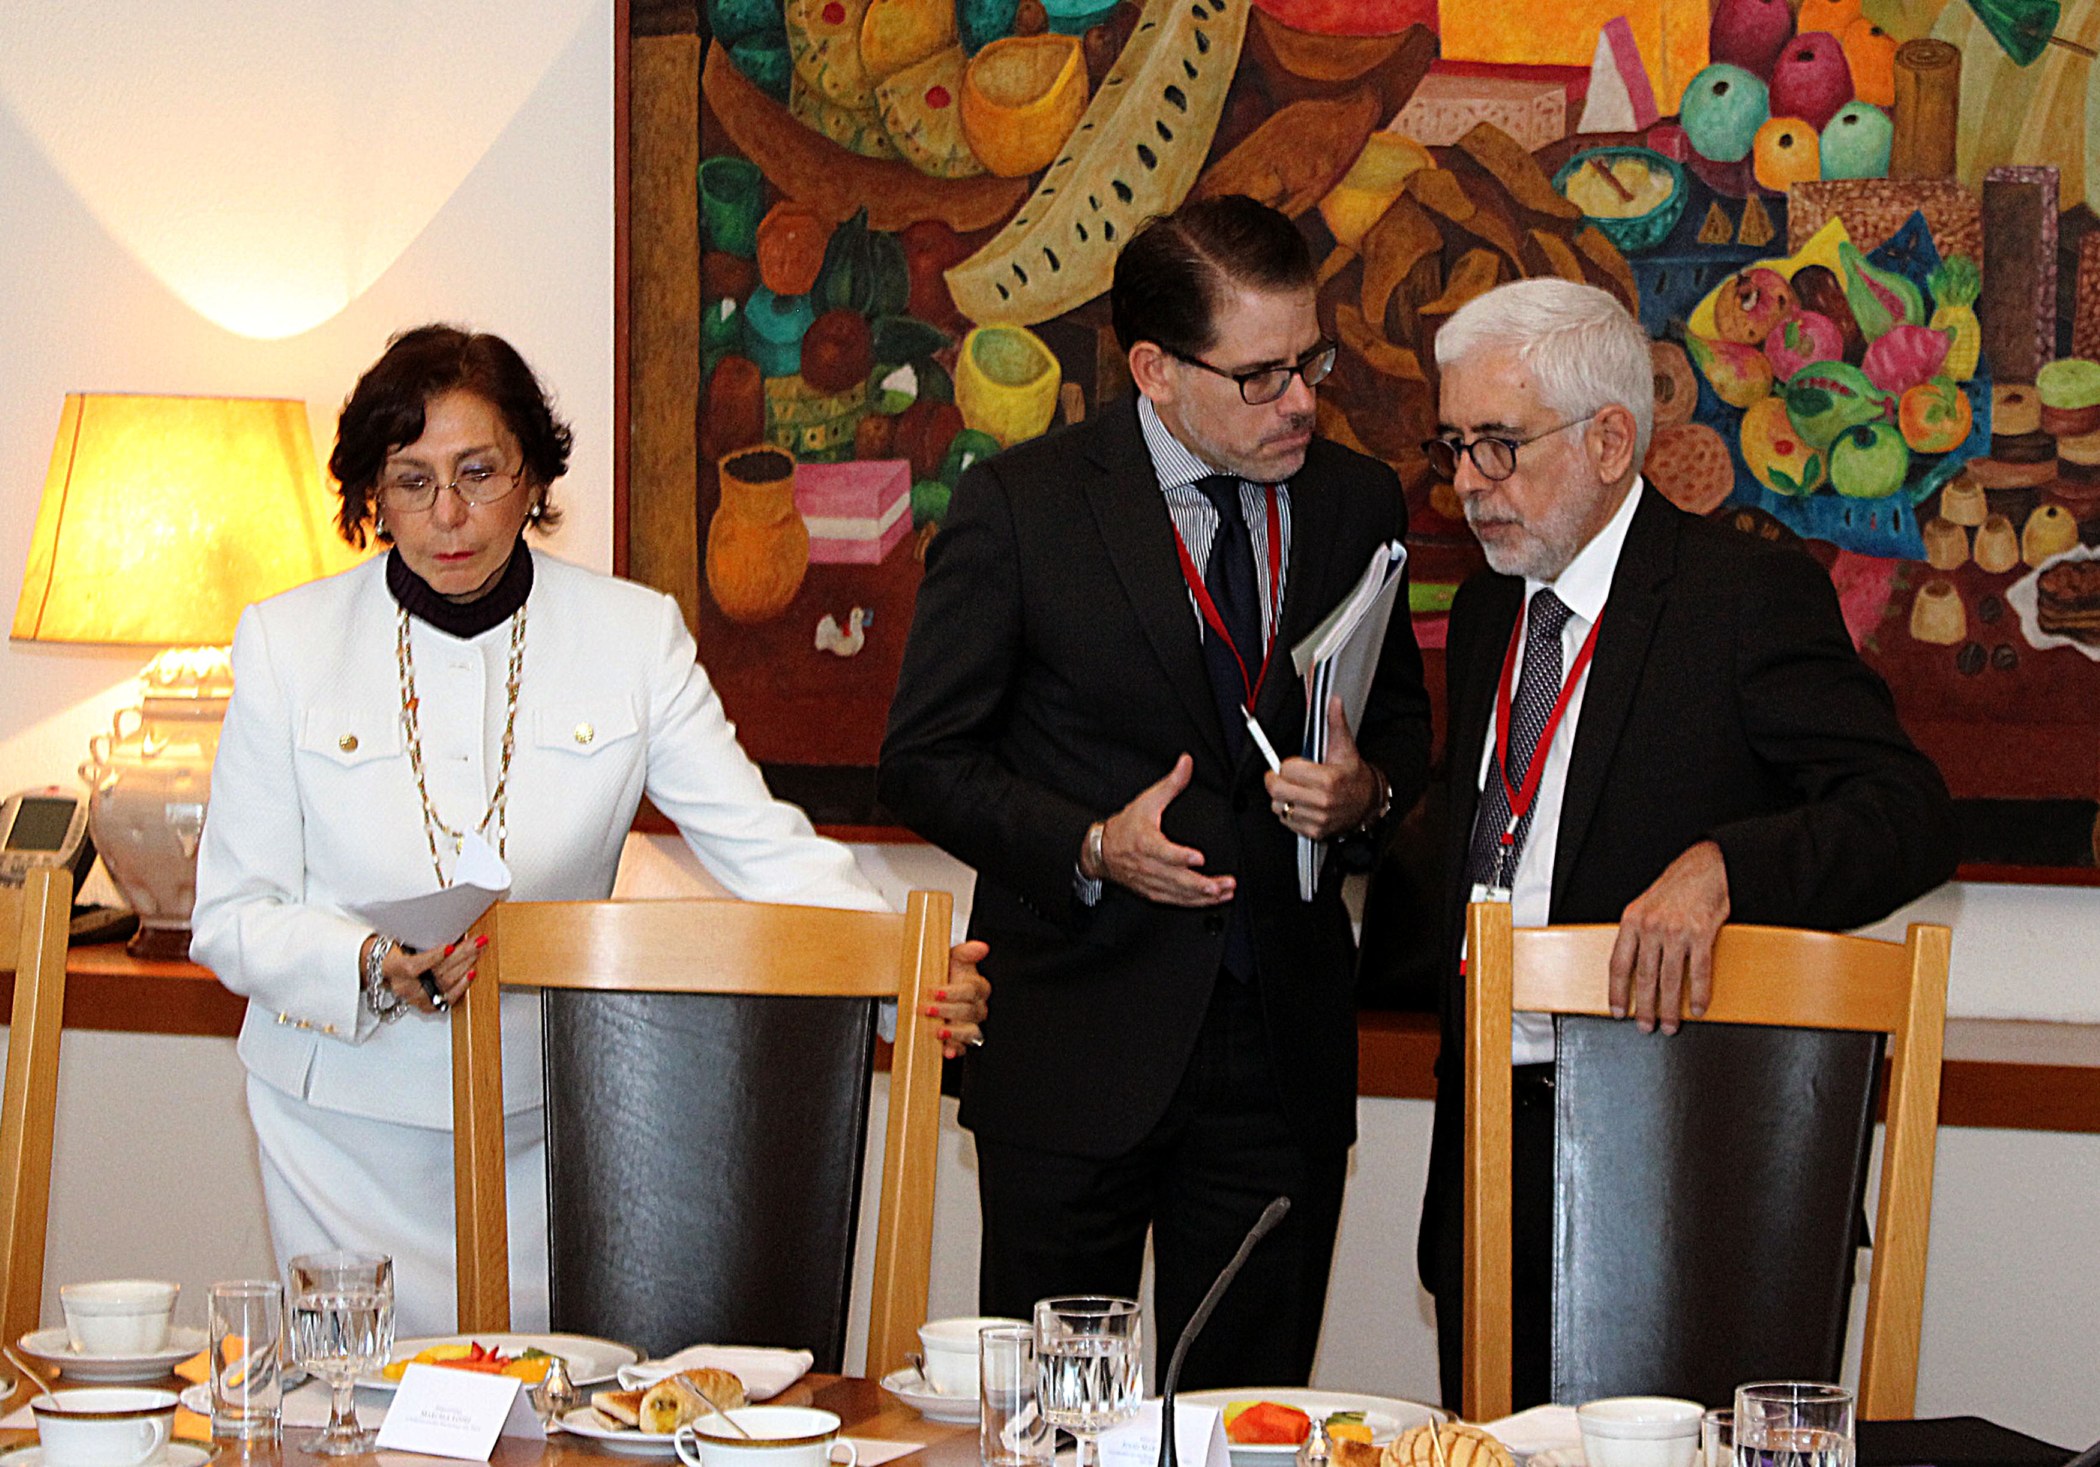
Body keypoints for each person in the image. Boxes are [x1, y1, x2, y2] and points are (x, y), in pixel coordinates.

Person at [191, 325, 990, 1336]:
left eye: (478, 473)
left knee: (547, 1414)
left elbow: (760, 843)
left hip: (550, 1129)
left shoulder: (630, 634)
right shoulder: (286, 641)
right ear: (371, 496)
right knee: (370, 1419)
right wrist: (365, 959)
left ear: (532, 474)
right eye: (411, 481)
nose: (449, 515)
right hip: (339, 1130)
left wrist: (902, 970)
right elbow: (232, 913)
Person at [880, 195, 1432, 1389]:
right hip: (1072, 1045)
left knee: (1243, 1426)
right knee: (1050, 1425)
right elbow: (924, 758)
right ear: (1155, 370)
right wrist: (1084, 844)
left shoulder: (1355, 503)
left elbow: (1402, 751)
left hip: (1277, 1058)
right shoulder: (1022, 508)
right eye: (1263, 374)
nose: (1301, 401)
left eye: (1311, 361)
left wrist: (1362, 797)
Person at [1412, 279, 1959, 1407]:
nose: (1468, 482)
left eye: (1500, 446)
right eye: (1456, 444)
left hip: (1682, 1160)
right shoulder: (1486, 616)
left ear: (1611, 438)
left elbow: (1907, 811)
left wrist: (1726, 868)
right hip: (1486, 1147)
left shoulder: (1741, 597)